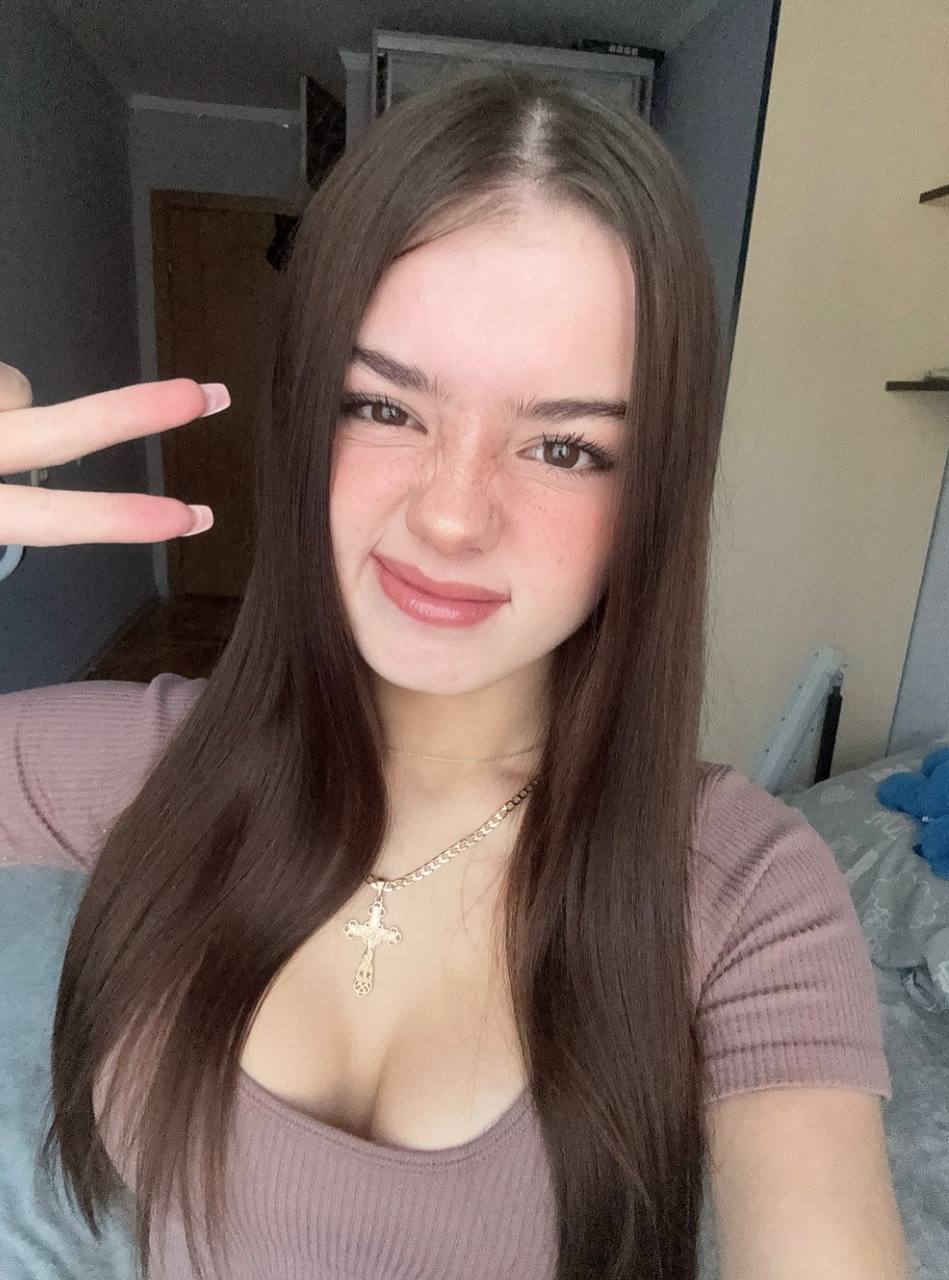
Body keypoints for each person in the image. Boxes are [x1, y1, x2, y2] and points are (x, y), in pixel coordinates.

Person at [0, 66, 909, 1280]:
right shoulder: (153, 763)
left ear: (652, 490)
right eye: (384, 408)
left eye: (564, 445)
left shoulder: (742, 895)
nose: (451, 515)